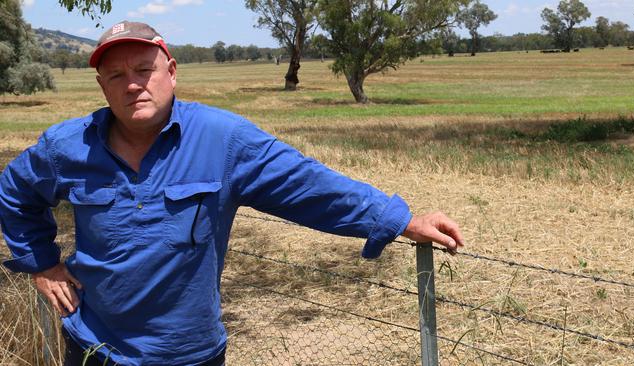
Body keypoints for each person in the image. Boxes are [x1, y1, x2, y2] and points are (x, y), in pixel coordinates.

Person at [0, 21, 464, 365]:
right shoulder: (67, 147)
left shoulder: (223, 140)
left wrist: (399, 219)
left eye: (145, 69)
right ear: (102, 86)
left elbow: (307, 184)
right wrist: (41, 263)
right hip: (93, 346)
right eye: (116, 76)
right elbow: (15, 191)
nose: (133, 84)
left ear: (172, 72)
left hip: (188, 353)